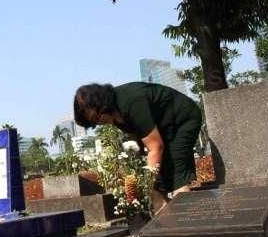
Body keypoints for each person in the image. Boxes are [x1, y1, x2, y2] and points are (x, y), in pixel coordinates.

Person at [73, 82, 202, 214]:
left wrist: (145, 186)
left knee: (176, 174)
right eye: (93, 122)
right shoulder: (115, 115)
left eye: (97, 117)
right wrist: (142, 170)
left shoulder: (131, 103)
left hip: (183, 120)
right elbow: (138, 136)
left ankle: (189, 222)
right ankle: (169, 223)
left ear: (102, 103)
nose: (99, 122)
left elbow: (156, 147)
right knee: (158, 184)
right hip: (164, 130)